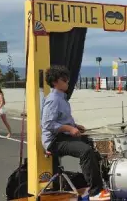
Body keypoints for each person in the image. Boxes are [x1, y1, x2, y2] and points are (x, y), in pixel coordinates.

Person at [41, 66, 110, 200]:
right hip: (54, 140)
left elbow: (61, 119)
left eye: (67, 79)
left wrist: (75, 126)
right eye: (64, 79)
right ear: (55, 82)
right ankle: (95, 193)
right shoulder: (53, 99)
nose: (67, 82)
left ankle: (102, 184)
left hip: (63, 136)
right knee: (86, 151)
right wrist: (69, 129)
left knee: (95, 148)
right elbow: (48, 124)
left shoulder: (62, 98)